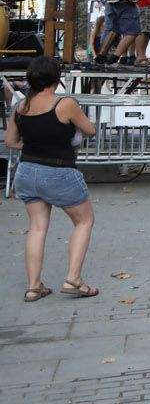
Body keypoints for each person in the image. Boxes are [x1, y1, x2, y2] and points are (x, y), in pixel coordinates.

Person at [5, 57, 99, 302]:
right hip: (59, 171)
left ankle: (34, 286)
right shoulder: (65, 103)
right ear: (56, 79)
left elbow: (10, 142)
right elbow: (89, 130)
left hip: (27, 171)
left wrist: (34, 145)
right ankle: (73, 279)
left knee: (36, 227)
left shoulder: (21, 107)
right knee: (84, 221)